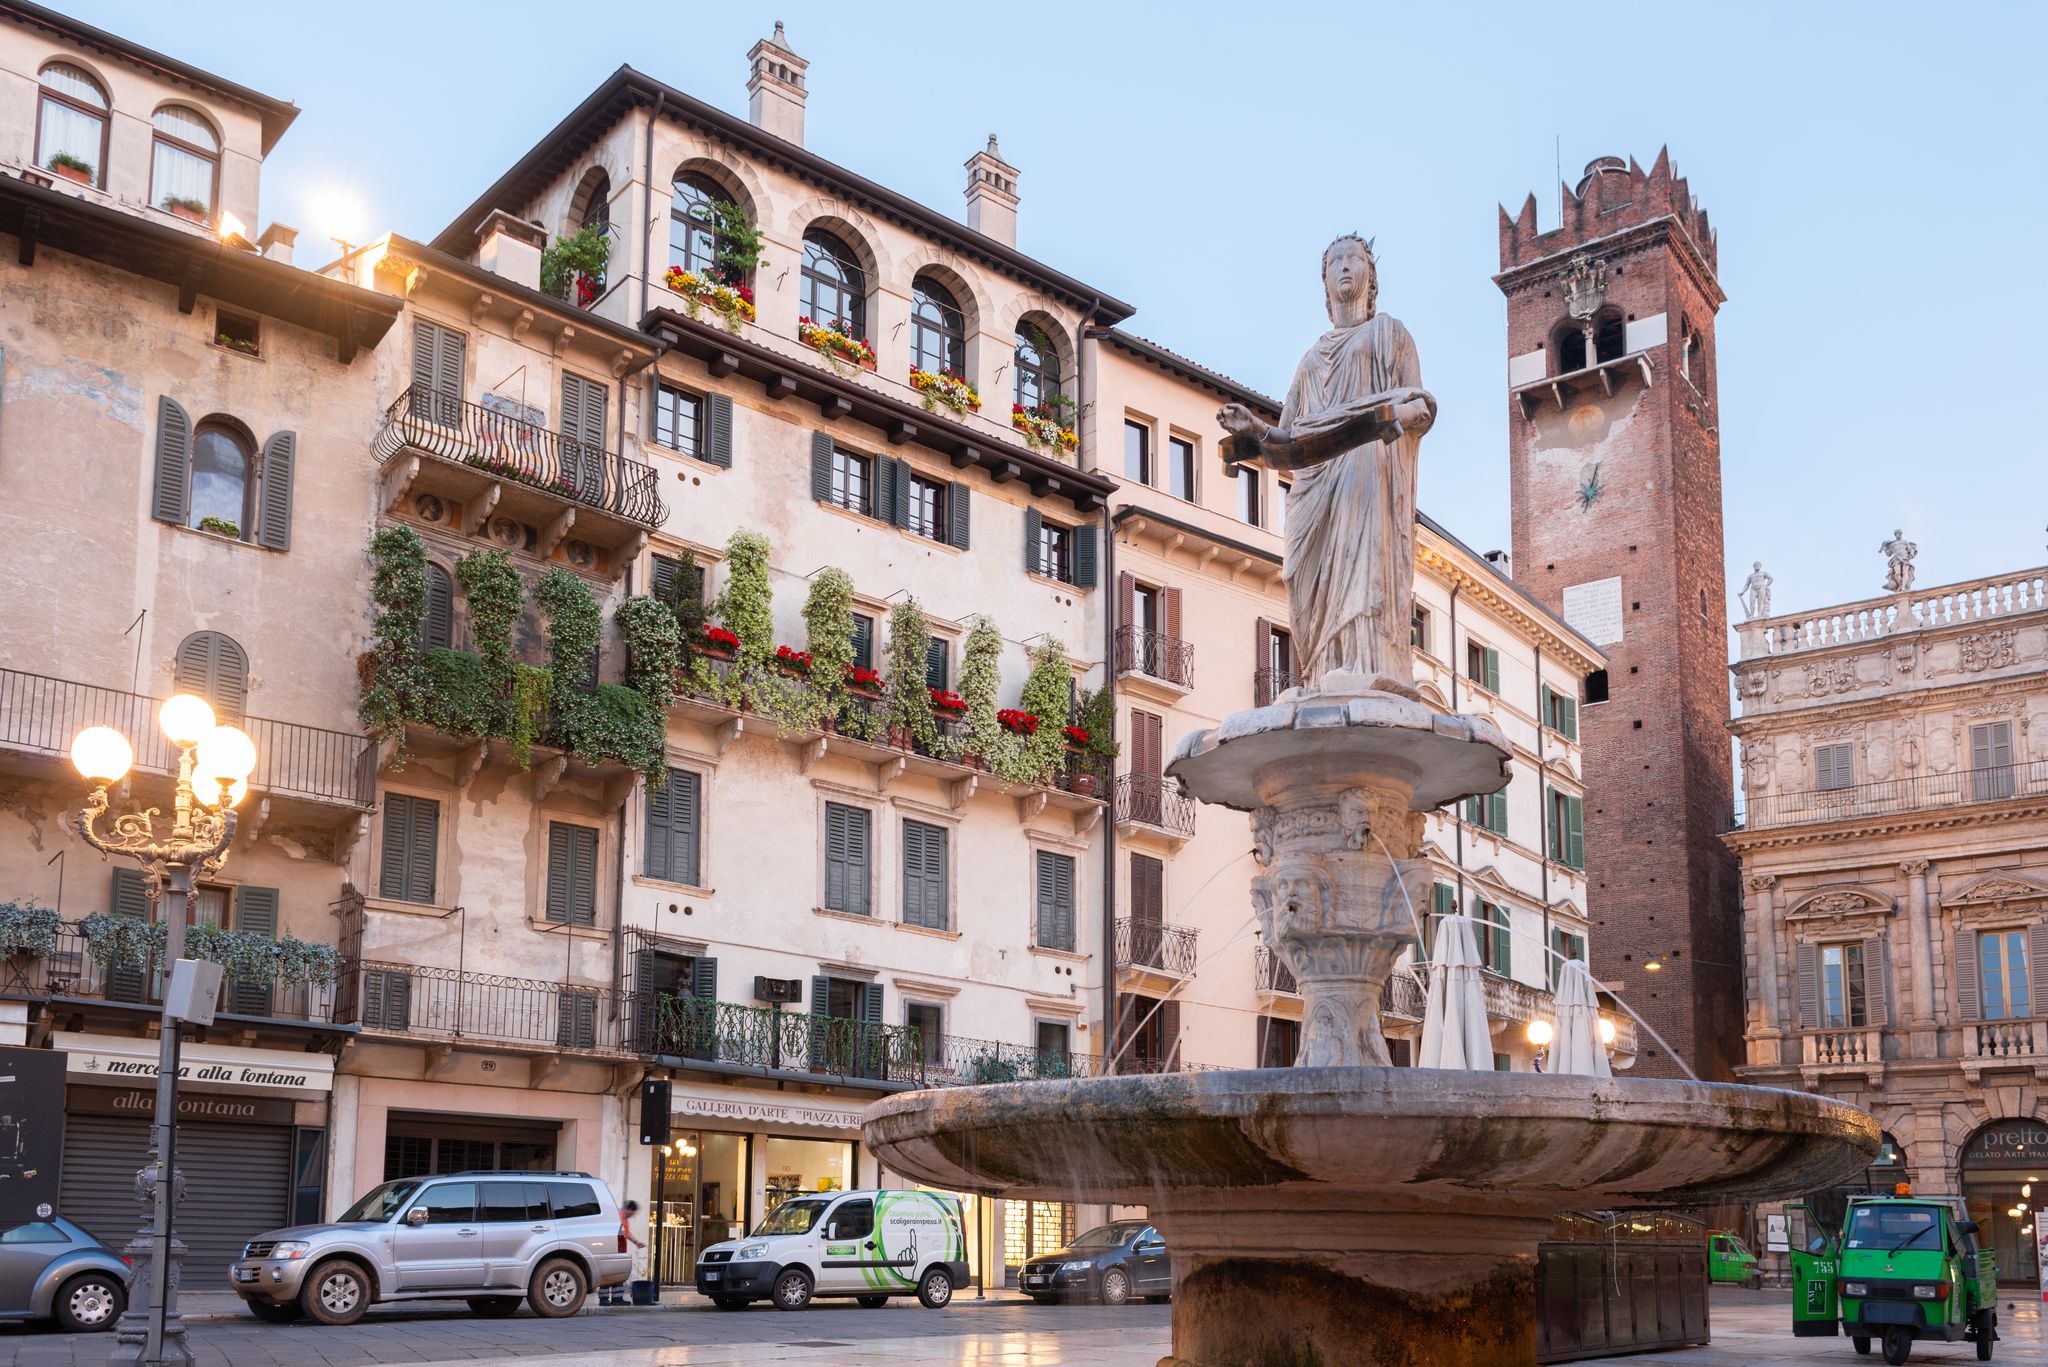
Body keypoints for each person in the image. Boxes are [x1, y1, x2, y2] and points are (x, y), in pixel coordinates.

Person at [1217, 234, 1436, 696]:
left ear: (1371, 276)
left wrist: (1407, 415)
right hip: (1316, 488)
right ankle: (1322, 671)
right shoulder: (1310, 359)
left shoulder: (1389, 333)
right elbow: (1288, 443)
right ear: (1324, 283)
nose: (1344, 267)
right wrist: (1253, 426)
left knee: (1363, 568)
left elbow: (1418, 403)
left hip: (1366, 471)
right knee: (1303, 575)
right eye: (1334, 261)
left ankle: (1367, 663)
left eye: (1354, 258)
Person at [601, 1200, 646, 1305]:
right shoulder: (618, 1216)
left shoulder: (622, 1217)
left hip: (617, 1249)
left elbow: (626, 1232)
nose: (633, 1215)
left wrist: (636, 1242)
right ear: (629, 1209)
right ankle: (605, 1299)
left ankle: (616, 1299)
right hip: (612, 1249)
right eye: (633, 1213)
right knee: (609, 1274)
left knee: (618, 1273)